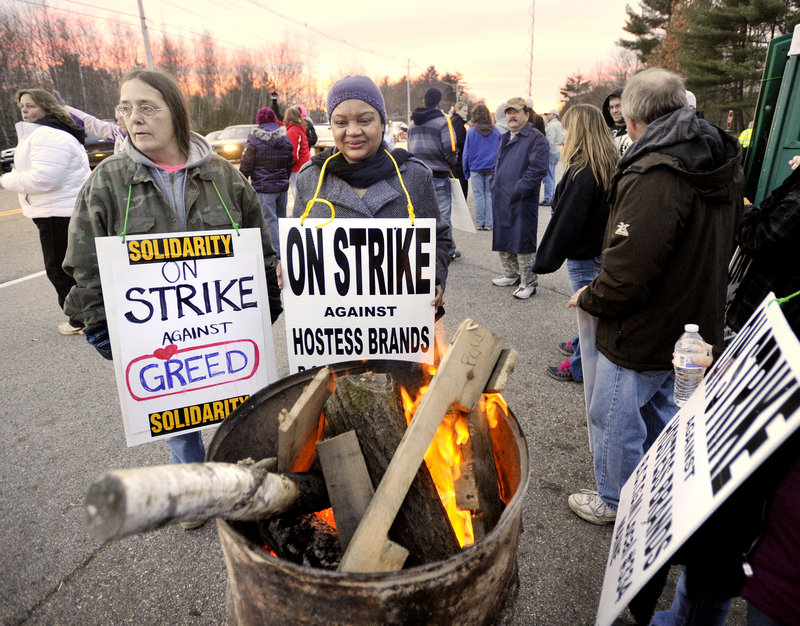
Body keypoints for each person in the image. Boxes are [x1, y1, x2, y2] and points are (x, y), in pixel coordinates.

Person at [62, 70, 282, 521]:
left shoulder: (224, 177)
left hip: (222, 330)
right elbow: (84, 264)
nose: (133, 119)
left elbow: (258, 246)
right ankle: (195, 496)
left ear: (175, 113)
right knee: (178, 423)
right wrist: (102, 324)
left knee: (236, 410)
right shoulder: (107, 182)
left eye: (147, 107)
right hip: (156, 342)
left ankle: (238, 488)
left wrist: (267, 304)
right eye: (126, 108)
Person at [566, 68, 743, 524]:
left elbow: (628, 270)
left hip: (643, 327)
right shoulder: (716, 154)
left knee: (615, 418)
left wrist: (592, 297)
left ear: (632, 118)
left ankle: (617, 504)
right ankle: (663, 498)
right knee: (668, 416)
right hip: (693, 317)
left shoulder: (657, 169)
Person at [293, 75, 452, 310]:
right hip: (331, 330)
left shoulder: (414, 176)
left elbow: (439, 238)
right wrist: (288, 267)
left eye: (365, 120)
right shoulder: (311, 178)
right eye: (341, 123)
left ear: (382, 122)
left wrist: (435, 277)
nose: (353, 131)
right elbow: (299, 242)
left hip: (398, 328)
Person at [533, 104, 616, 382]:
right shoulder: (606, 164)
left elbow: (567, 220)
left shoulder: (584, 172)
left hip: (585, 253)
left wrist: (546, 258)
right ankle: (579, 344)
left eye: (569, 127)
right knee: (590, 306)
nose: (564, 132)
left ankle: (579, 366)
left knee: (587, 312)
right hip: (599, 249)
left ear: (580, 131)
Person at [0, 89, 91, 335]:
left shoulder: (48, 135)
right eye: (22, 106)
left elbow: (44, 179)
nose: (25, 110)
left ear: (47, 107)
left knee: (59, 270)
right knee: (72, 268)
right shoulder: (51, 132)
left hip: (56, 211)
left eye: (31, 106)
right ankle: (89, 316)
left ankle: (79, 320)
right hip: (60, 209)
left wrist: (6, 179)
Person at [489, 96, 549, 300]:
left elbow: (537, 169)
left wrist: (518, 189)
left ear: (526, 113)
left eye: (516, 111)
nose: (511, 116)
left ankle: (528, 282)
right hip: (501, 197)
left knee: (522, 240)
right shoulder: (505, 137)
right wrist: (494, 185)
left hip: (521, 200)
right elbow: (497, 164)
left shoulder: (535, 137)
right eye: (508, 112)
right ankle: (511, 275)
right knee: (504, 236)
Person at [408, 87, 459, 260]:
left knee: (420, 214)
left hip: (416, 174)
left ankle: (423, 248)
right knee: (442, 215)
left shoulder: (413, 122)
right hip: (438, 174)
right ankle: (448, 250)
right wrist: (451, 163)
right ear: (439, 102)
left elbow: (409, 148)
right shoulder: (443, 122)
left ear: (424, 101)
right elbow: (450, 148)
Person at [239, 106, 293, 255]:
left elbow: (246, 163)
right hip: (281, 187)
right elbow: (290, 161)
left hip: (263, 188)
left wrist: (243, 180)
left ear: (259, 120)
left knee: (270, 222)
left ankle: (277, 254)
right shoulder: (284, 137)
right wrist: (284, 178)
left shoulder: (254, 139)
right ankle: (287, 251)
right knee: (281, 221)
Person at [462, 103, 501, 231]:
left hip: (476, 167)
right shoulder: (496, 131)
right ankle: (489, 223)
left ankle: (480, 223)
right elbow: (500, 152)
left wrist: (465, 171)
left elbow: (466, 153)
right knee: (489, 195)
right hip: (491, 168)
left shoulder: (471, 132)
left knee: (478, 196)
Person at [54, 90, 127, 154]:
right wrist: (64, 108)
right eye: (117, 120)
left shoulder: (137, 139)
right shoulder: (118, 133)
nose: (118, 123)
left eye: (121, 119)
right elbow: (90, 122)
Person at [283, 106, 310, 201]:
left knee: (297, 193)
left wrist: (289, 165)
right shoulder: (300, 128)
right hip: (304, 162)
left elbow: (293, 152)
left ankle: (299, 214)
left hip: (297, 166)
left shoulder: (292, 131)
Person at [541, 109, 564, 207]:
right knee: (551, 175)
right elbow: (562, 140)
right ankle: (550, 197)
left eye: (548, 114)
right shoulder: (559, 125)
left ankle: (549, 198)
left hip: (551, 152)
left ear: (554, 115)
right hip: (556, 151)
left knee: (548, 176)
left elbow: (549, 141)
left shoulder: (552, 126)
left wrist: (544, 153)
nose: (547, 116)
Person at [602, 87, 632, 157]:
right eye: (611, 107)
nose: (614, 111)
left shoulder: (637, 131)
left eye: (618, 106)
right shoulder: (604, 132)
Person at [449, 102, 469, 197]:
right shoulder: (458, 121)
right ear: (457, 110)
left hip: (453, 158)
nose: (466, 113)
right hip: (459, 158)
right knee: (462, 186)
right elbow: (459, 140)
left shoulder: (452, 120)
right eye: (464, 110)